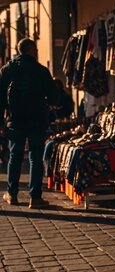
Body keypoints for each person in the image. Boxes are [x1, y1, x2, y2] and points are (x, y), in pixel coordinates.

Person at [0, 38, 58, 208]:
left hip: (15, 119)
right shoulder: (41, 71)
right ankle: (35, 197)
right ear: (32, 50)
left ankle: (12, 194)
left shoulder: (7, 70)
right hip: (37, 119)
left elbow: (0, 99)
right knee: (35, 157)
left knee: (14, 157)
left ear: (19, 51)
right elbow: (54, 97)